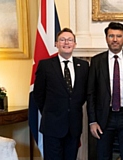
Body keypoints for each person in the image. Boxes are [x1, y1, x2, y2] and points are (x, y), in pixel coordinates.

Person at [87, 22, 123, 160]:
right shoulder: (96, 61)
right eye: (111, 36)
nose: (115, 39)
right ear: (106, 38)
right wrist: (92, 121)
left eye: (119, 36)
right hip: (104, 118)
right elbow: (91, 93)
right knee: (103, 155)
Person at [33, 28, 89, 160]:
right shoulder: (45, 65)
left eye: (70, 40)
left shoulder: (84, 66)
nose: (66, 43)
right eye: (62, 40)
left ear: (75, 44)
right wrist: (51, 111)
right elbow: (38, 94)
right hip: (52, 126)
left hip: (74, 126)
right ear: (56, 44)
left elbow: (84, 93)